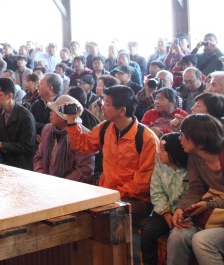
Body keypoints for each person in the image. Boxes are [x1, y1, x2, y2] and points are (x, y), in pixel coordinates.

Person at [65, 86, 159, 223]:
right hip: (108, 192)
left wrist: (114, 194)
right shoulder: (106, 127)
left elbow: (143, 182)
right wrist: (72, 121)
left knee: (103, 215)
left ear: (122, 110)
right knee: (75, 205)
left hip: (135, 199)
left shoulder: (146, 138)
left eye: (106, 103)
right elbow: (82, 145)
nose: (102, 106)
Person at [167, 114, 224, 264]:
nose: (180, 139)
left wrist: (209, 205)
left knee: (201, 240)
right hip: (214, 214)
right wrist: (182, 208)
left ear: (199, 137)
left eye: (183, 134)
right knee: (178, 234)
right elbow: (196, 188)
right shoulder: (195, 156)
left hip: (216, 210)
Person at [140, 132, 189, 265]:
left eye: (163, 150)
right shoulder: (159, 167)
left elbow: (193, 194)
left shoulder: (190, 169)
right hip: (163, 212)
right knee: (148, 231)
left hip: (186, 214)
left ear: (174, 152)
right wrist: (165, 212)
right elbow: (157, 192)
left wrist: (181, 213)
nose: (158, 153)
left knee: (181, 237)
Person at [34, 95, 95, 182]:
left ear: (64, 116)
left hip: (70, 188)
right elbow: (39, 155)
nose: (50, 113)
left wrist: (60, 183)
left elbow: (85, 170)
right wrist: (40, 170)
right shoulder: (48, 129)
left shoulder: (83, 135)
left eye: (53, 111)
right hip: (45, 183)